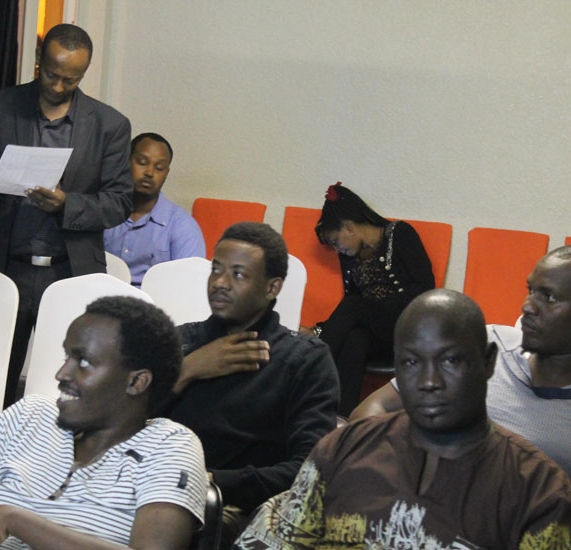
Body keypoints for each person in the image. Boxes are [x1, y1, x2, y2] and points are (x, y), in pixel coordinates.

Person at [235, 289, 571, 549]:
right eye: (411, 363)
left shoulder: (539, 490)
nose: (428, 382)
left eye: (450, 361)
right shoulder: (342, 450)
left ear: (488, 363)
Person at [0, 296, 207, 549]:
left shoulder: (170, 445)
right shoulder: (32, 415)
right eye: (66, 356)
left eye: (82, 362)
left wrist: (15, 521)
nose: (61, 374)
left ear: (136, 382)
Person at [0, 23, 132, 407]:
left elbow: (120, 201)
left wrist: (67, 204)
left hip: (68, 272)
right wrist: (3, 183)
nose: (57, 86)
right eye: (52, 75)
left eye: (70, 80)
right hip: (2, 268)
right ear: (39, 62)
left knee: (65, 387)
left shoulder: (109, 125)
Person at [160, 222, 339, 547]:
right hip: (153, 485)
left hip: (234, 505)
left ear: (272, 288)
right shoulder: (179, 341)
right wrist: (187, 370)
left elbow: (309, 469)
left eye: (238, 275)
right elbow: (125, 423)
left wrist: (211, 481)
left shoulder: (304, 360)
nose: (220, 283)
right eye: (216, 270)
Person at [351, 245, 571, 474]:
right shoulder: (485, 344)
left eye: (549, 297)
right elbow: (373, 408)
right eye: (530, 290)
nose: (527, 306)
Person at [300, 182, 434, 416]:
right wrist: (321, 329)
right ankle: (341, 420)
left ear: (350, 228)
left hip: (409, 327)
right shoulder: (351, 256)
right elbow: (352, 308)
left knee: (355, 306)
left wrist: (322, 332)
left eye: (335, 242)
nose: (337, 249)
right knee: (355, 339)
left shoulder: (400, 234)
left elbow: (424, 290)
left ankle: (305, 371)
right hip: (376, 336)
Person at [104, 132, 205, 287]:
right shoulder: (103, 212)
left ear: (166, 173)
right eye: (142, 162)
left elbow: (190, 286)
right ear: (125, 162)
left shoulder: (182, 226)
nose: (149, 173)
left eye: (159, 167)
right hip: (100, 302)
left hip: (154, 308)